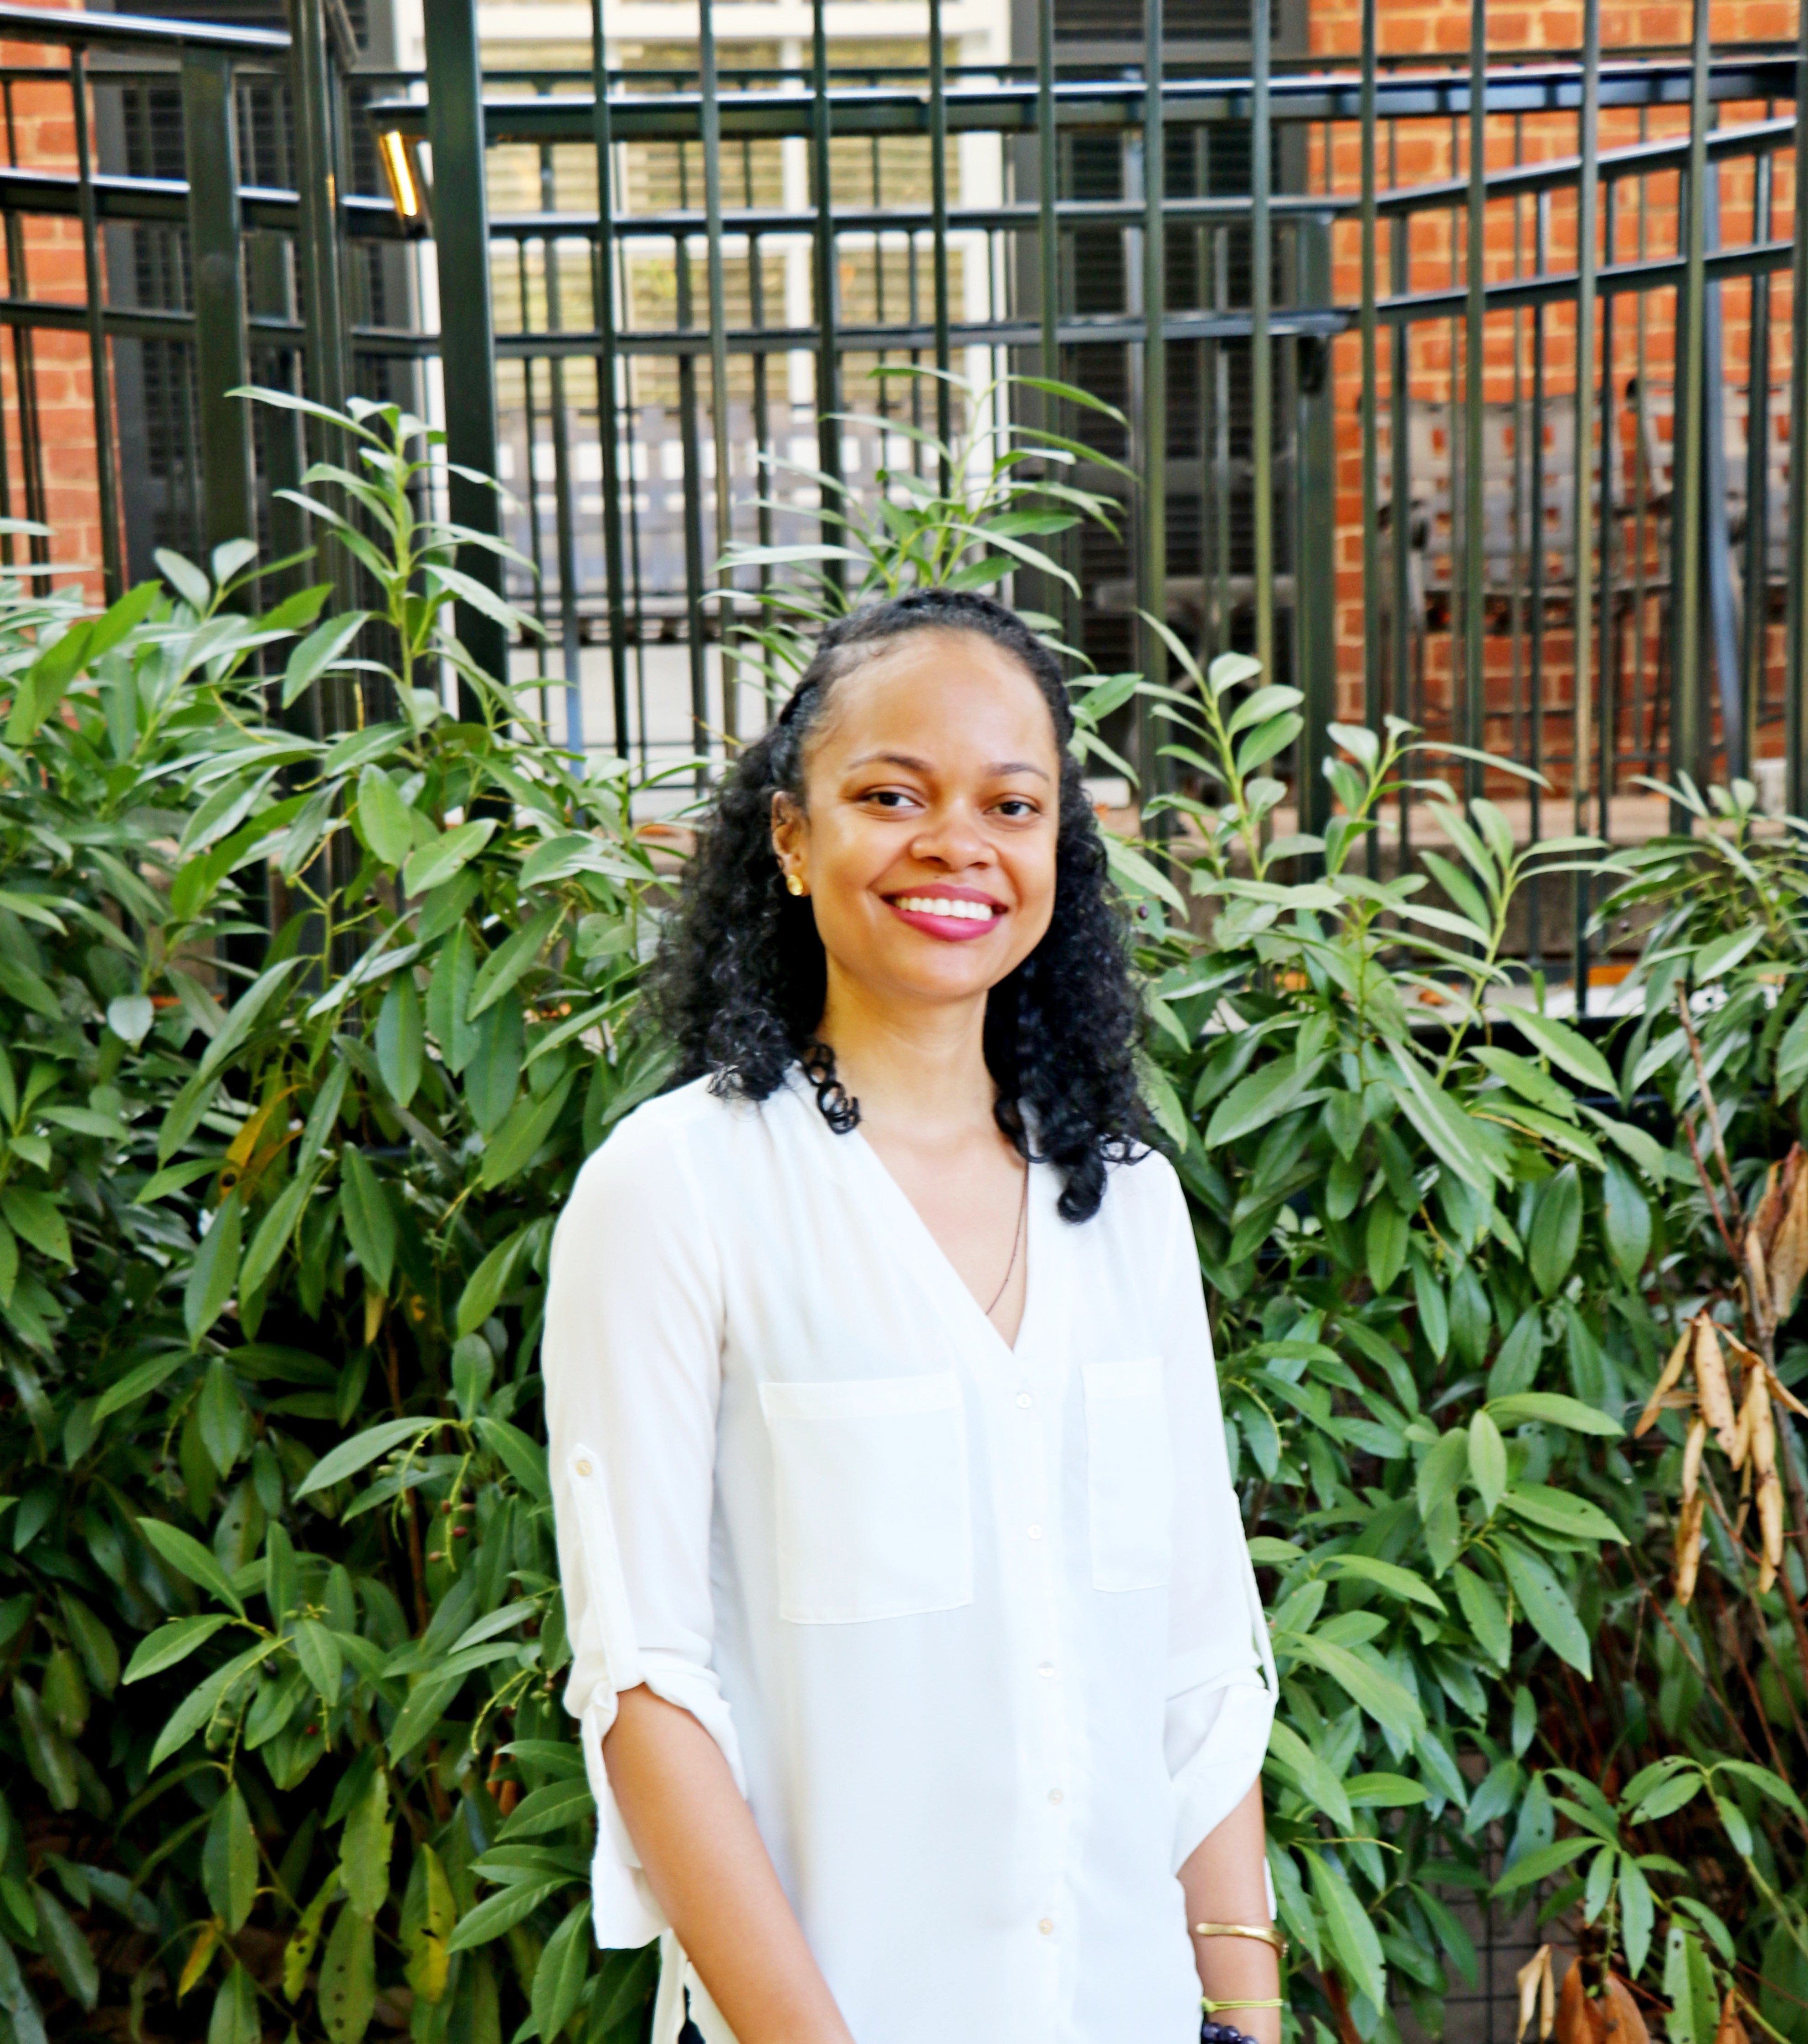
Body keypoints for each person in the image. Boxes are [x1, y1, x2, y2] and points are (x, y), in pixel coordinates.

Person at [542, 588, 1280, 2044]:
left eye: (1013, 803)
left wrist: (1247, 2021)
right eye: (893, 794)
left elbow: (1197, 1667)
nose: (959, 844)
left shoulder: (1128, 1204)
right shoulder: (676, 1194)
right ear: (792, 833)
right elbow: (645, 1697)